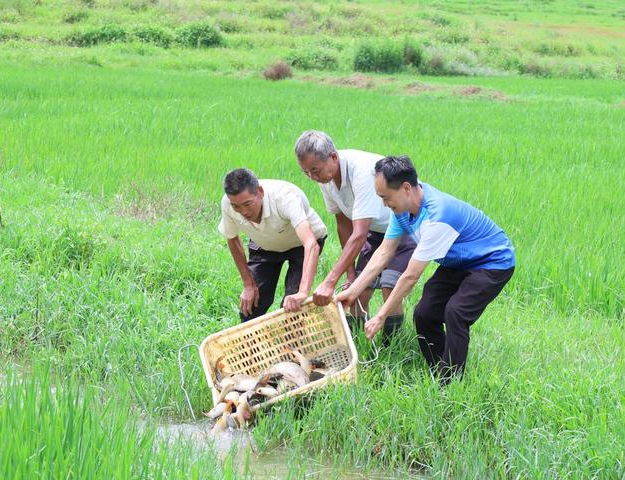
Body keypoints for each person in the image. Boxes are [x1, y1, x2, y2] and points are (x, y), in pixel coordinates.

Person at [334, 156, 515, 383]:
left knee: (456, 312)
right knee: (424, 313)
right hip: (457, 261)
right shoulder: (402, 210)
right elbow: (383, 253)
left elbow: (410, 276)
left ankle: (450, 384)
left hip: (492, 261)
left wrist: (380, 316)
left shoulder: (437, 216)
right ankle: (440, 370)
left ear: (406, 188)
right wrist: (352, 292)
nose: (383, 204)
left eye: (386, 197)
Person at [294, 130, 417, 347]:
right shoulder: (326, 178)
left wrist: (330, 281)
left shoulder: (362, 171)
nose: (312, 177)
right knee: (358, 293)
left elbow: (359, 234)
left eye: (315, 170)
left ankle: (390, 348)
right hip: (374, 231)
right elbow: (344, 225)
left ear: (333, 157)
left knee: (390, 287)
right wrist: (349, 274)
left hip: (403, 224)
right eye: (306, 172)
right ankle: (358, 347)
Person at [218, 168, 328, 322]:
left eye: (247, 204)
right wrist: (248, 284)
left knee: (291, 307)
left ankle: (293, 345)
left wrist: (303, 292)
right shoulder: (228, 203)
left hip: (301, 245)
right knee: (250, 306)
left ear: (260, 192)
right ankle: (254, 346)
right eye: (237, 206)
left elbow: (311, 244)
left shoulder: (285, 197)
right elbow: (232, 238)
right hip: (265, 244)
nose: (243, 211)